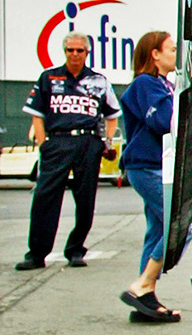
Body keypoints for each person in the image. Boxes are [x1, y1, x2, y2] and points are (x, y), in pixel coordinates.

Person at [18, 29, 119, 270]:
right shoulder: (49, 78)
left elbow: (113, 115)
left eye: (79, 50)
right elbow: (37, 116)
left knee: (85, 199)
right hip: (57, 142)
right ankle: (36, 253)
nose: (74, 54)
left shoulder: (99, 80)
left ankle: (75, 249)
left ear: (87, 53)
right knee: (45, 197)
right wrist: (44, 144)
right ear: (64, 52)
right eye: (70, 50)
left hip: (88, 143)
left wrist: (104, 142)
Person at [117, 30, 180, 323]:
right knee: (176, 222)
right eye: (171, 49)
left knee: (157, 229)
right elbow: (164, 121)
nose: (176, 54)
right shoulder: (146, 84)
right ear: (154, 54)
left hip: (153, 165)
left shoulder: (161, 84)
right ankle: (143, 285)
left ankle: (145, 299)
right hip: (147, 165)